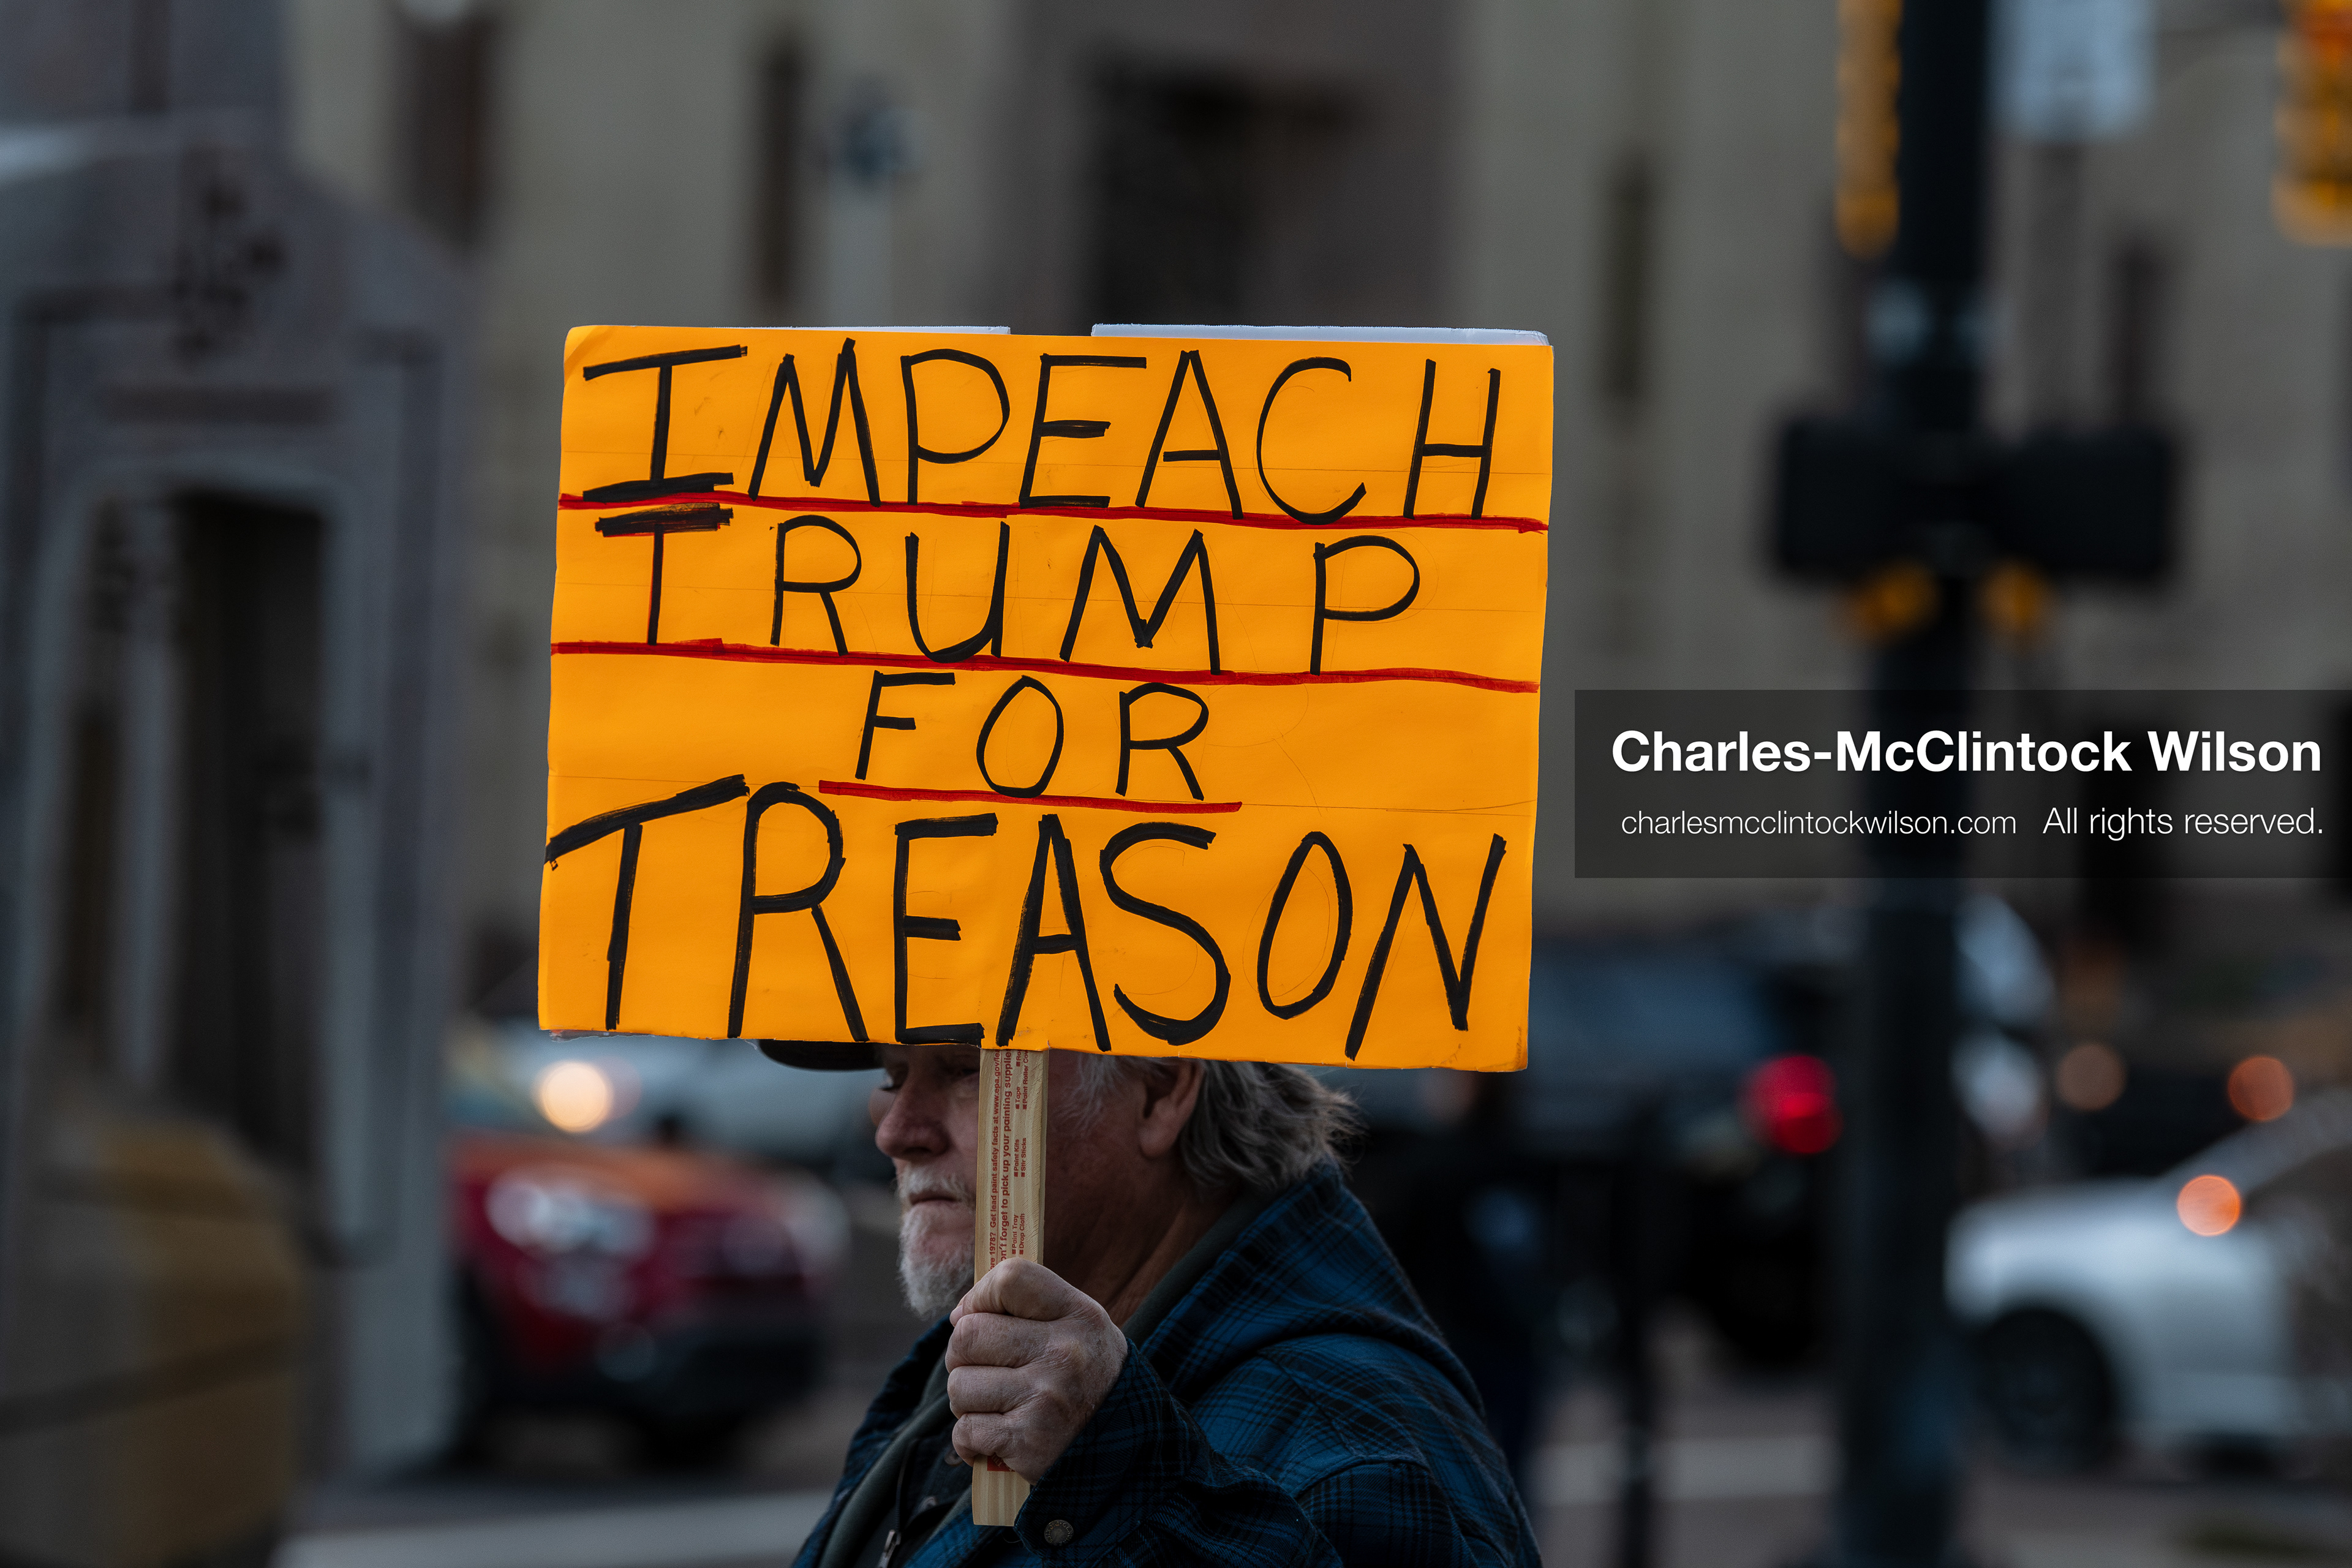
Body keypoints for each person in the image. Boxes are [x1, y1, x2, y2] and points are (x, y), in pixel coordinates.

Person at [768, 1038, 1540, 1568]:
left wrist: (1122, 1482)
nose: (897, 1131)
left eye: (969, 1070)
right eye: (893, 1078)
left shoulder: (1350, 1444)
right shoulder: (973, 1370)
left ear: (1161, 1092)